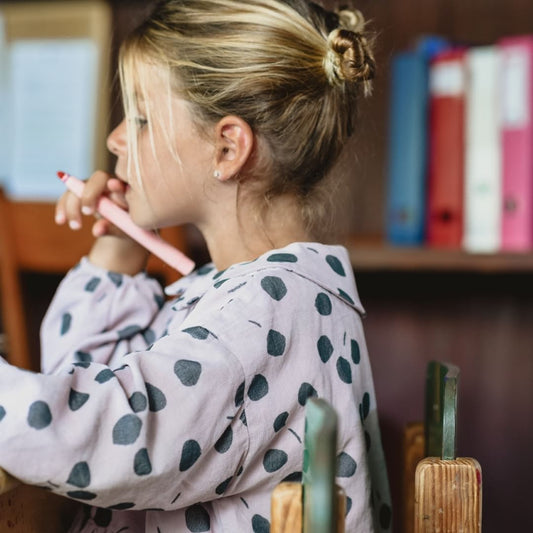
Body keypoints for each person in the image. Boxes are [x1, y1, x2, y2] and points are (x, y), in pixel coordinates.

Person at [0, 0, 391, 531]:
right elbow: (87, 390)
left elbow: (95, 440)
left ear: (228, 148)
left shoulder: (264, 313)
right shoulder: (262, 297)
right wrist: (120, 250)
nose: (115, 138)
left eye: (139, 116)